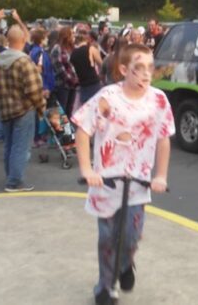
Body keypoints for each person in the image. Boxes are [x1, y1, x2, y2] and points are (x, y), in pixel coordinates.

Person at [73, 44, 175, 305]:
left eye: (150, 68)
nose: (145, 74)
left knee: (131, 236)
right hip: (105, 182)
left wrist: (160, 175)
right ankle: (105, 287)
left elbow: (163, 139)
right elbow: (83, 130)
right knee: (107, 238)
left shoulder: (158, 100)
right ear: (122, 69)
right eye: (138, 68)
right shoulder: (108, 97)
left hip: (138, 184)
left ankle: (126, 262)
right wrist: (87, 169)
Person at [0, 25, 46, 192]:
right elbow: (34, 89)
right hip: (24, 109)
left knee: (9, 145)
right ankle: (15, 181)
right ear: (23, 40)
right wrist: (41, 107)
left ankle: (11, 176)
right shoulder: (24, 61)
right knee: (21, 147)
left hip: (5, 108)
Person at [70, 29, 103, 106]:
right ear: (87, 40)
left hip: (82, 84)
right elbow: (101, 64)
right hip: (93, 82)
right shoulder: (91, 49)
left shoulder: (73, 53)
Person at [51, 26, 79, 114]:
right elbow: (59, 68)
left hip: (72, 85)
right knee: (62, 111)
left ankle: (68, 128)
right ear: (66, 36)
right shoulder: (57, 48)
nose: (74, 36)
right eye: (72, 34)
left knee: (69, 110)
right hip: (62, 85)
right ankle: (63, 128)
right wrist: (71, 80)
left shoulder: (72, 48)